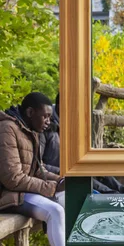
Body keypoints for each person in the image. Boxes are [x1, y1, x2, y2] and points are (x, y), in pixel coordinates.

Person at [0, 92, 65, 246]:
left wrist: (60, 179)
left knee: (69, 199)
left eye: (50, 117)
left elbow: (37, 170)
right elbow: (12, 179)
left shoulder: (29, 130)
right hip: (8, 194)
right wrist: (52, 187)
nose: (49, 121)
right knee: (55, 211)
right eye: (45, 116)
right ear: (30, 113)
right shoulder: (7, 129)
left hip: (22, 191)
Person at [39, 93, 124, 195]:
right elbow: (40, 165)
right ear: (60, 106)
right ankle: (116, 197)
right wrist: (63, 171)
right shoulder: (43, 126)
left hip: (75, 165)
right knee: (89, 180)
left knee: (100, 169)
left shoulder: (73, 123)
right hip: (59, 173)